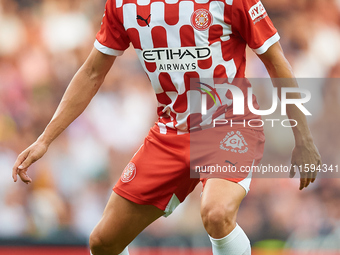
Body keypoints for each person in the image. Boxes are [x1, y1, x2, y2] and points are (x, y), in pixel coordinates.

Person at [12, 0, 321, 254]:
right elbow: (92, 72)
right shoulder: (123, 5)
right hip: (170, 131)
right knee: (103, 242)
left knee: (216, 213)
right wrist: (44, 140)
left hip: (229, 122)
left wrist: (303, 138)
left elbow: (276, 61)